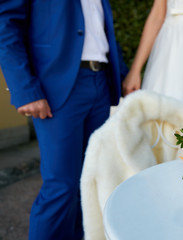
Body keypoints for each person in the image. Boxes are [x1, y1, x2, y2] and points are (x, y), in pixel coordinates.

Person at [0, 0, 127, 239]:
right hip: (58, 86)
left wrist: (123, 75)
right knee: (61, 186)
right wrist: (24, 89)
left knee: (89, 184)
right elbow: (5, 24)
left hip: (100, 81)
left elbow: (100, 30)